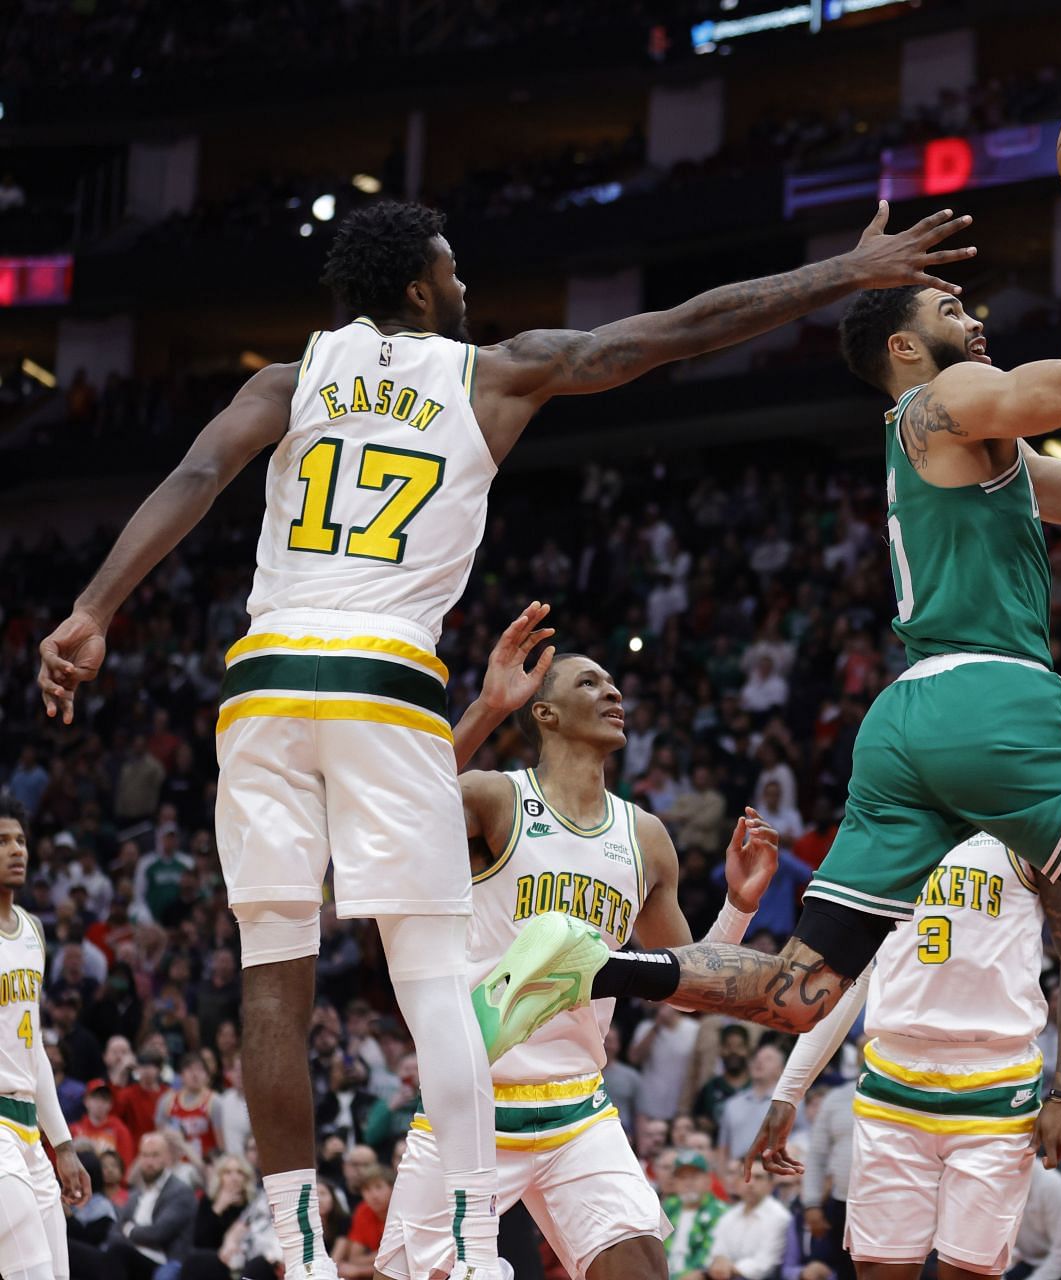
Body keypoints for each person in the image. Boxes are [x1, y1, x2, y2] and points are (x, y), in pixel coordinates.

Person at [36, 198, 969, 1280]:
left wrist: (95, 608)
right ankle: (475, 1239)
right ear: (425, 289)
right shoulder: (492, 371)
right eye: (455, 271)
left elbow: (197, 479)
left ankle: (290, 1234)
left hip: (265, 674)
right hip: (382, 671)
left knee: (271, 973)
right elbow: (667, 332)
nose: (467, 287)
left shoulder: (284, 382)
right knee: (435, 976)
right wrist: (841, 276)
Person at [483, 110, 1061, 1176]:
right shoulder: (943, 400)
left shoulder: (968, 440)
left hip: (906, 723)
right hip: (991, 701)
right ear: (906, 345)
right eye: (954, 305)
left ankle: (588, 960)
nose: (977, 316)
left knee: (803, 987)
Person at [377, 612, 780, 1280]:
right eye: (591, 683)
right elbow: (397, 812)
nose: (613, 693)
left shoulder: (645, 835)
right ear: (545, 713)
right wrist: (484, 707)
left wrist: (738, 907)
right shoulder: (496, 799)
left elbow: (682, 989)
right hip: (472, 1099)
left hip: (577, 1109)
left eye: (616, 685)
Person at [745, 829, 1061, 1280]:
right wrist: (788, 1091)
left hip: (996, 1092)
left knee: (968, 1274)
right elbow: (851, 977)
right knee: (878, 1271)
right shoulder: (888, 829)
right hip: (893, 1086)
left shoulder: (1030, 828)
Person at [0, 797, 91, 1280]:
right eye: (1, 841)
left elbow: (32, 1047)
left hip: (31, 1128)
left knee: (57, 1274)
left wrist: (65, 1145)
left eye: (20, 840)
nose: (16, 850)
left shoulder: (33, 931)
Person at [108, 1132, 197, 1280]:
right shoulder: (137, 1194)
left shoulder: (181, 1192)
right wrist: (127, 1232)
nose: (149, 1162)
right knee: (77, 1251)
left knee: (118, 1253)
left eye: (155, 1155)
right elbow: (114, 1232)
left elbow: (158, 1233)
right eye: (144, 1155)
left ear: (167, 1158)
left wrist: (129, 1230)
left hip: (163, 1262)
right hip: (132, 1255)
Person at [701, 1166, 791, 1280]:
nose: (750, 1183)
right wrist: (719, 1261)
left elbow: (764, 1266)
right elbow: (716, 1253)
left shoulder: (779, 1217)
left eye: (758, 1177)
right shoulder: (729, 1216)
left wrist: (729, 1268)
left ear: (770, 1185)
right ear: (737, 1182)